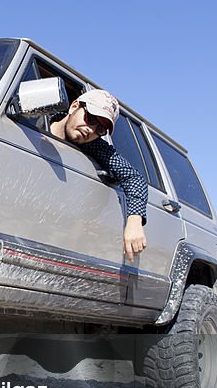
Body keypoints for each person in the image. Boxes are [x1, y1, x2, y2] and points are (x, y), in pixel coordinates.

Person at [49, 89, 147, 264]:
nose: (90, 130)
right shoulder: (31, 119)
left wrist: (134, 221)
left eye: (100, 129)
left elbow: (133, 178)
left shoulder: (94, 146)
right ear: (74, 106)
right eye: (91, 119)